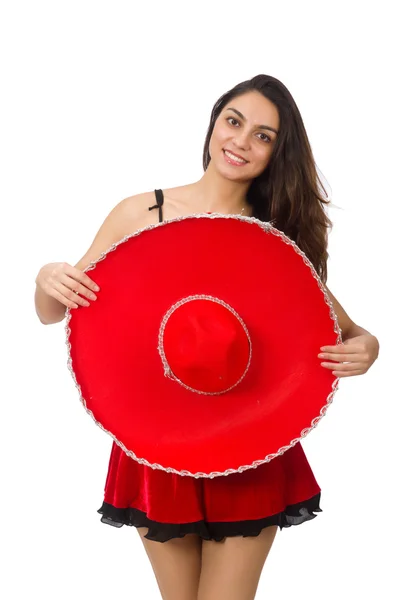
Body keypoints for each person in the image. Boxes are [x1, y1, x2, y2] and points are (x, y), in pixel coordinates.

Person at [34, 74, 379, 600]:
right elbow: (55, 311)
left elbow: (350, 331)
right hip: (158, 441)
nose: (241, 141)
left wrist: (368, 349)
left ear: (275, 153)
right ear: (214, 123)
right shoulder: (140, 212)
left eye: (263, 136)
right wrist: (46, 278)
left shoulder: (273, 237)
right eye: (234, 122)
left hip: (250, 439)